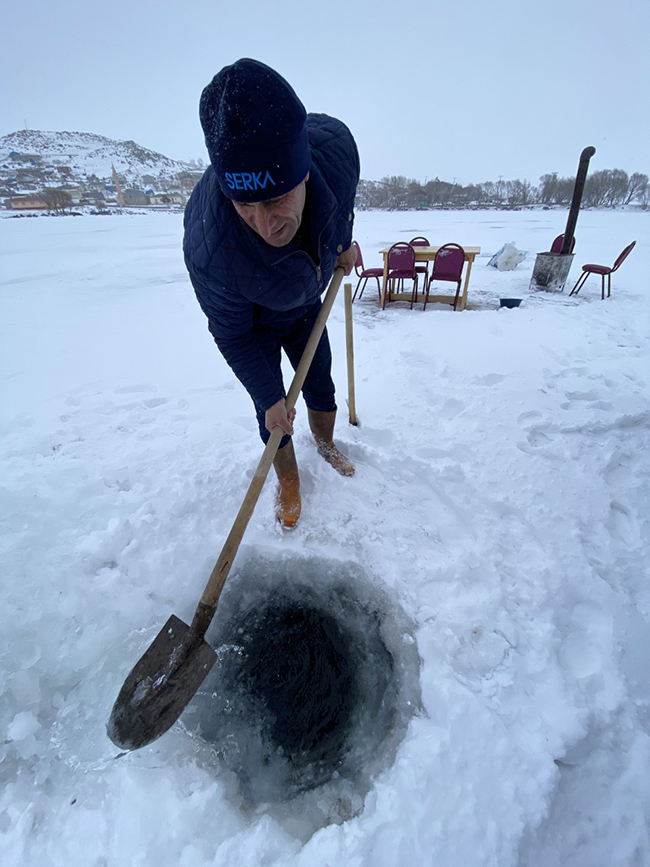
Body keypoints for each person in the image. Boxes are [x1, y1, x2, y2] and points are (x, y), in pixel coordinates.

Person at [183, 58, 360, 529]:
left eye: (277, 198)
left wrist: (342, 244)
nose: (266, 226)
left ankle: (325, 440)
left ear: (303, 174)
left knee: (320, 381)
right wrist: (267, 397)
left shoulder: (338, 161)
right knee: (274, 414)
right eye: (245, 204)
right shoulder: (211, 249)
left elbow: (340, 212)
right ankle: (286, 477)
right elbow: (232, 336)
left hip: (304, 307)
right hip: (253, 328)